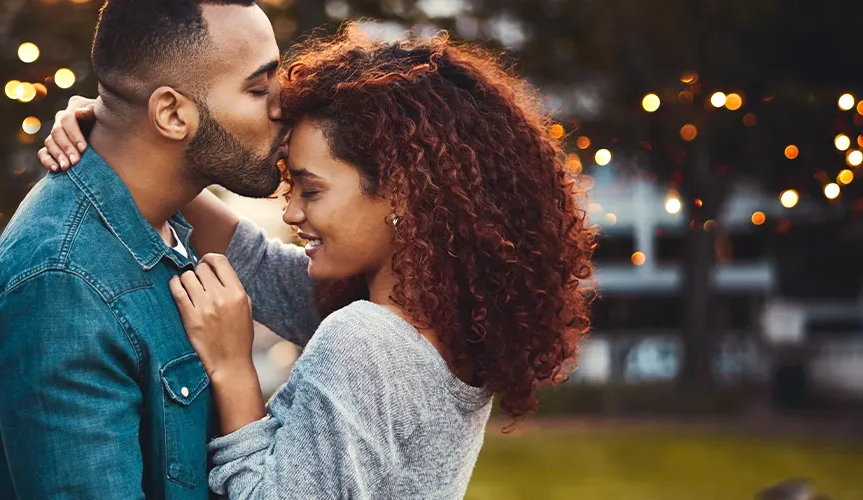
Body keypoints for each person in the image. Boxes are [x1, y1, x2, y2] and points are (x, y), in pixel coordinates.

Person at [42, 24, 597, 498]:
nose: (292, 214)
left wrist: (234, 370)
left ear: (402, 192)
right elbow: (250, 257)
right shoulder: (436, 324)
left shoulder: (368, 345)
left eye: (311, 190)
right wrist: (129, 131)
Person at [0, 0, 290, 498]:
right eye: (259, 88)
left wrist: (114, 119)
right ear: (171, 114)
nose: (281, 108)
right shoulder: (62, 286)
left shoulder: (164, 218)